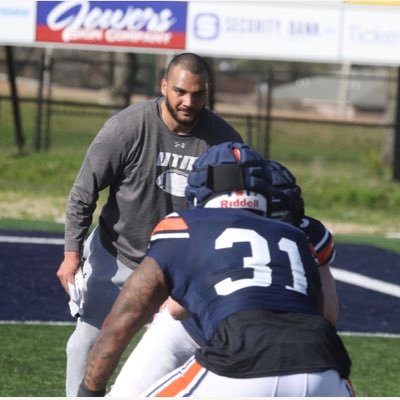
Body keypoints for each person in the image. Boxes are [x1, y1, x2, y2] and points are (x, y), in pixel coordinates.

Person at [78, 142, 353, 397]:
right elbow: (324, 313)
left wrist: (89, 390)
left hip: (239, 356)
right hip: (325, 364)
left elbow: (129, 315)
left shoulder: (183, 226)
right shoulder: (297, 237)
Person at [56, 52, 243, 396]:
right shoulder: (126, 127)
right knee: (86, 344)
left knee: (177, 356)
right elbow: (84, 192)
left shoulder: (224, 142)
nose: (189, 102)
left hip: (181, 269)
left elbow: (235, 212)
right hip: (118, 254)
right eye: (180, 92)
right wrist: (71, 253)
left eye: (198, 94)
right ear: (163, 87)